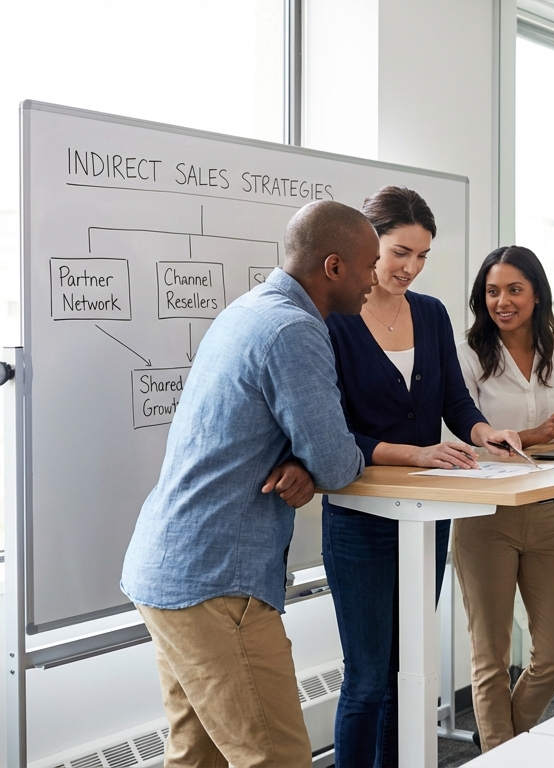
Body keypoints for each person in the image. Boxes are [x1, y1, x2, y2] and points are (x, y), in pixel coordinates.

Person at [121, 200, 379, 768]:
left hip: (169, 569)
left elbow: (263, 431)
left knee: (196, 758)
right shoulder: (293, 329)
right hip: (216, 584)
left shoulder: (247, 311)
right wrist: (314, 462)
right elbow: (336, 462)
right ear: (334, 267)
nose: (374, 280)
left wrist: (300, 459)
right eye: (370, 265)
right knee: (276, 758)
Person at [321, 186, 523, 766]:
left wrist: (484, 432)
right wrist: (413, 454)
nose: (410, 267)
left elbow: (455, 401)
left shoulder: (432, 314)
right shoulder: (333, 320)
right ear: (367, 245)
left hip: (426, 516)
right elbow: (331, 435)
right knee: (365, 678)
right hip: (360, 516)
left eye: (423, 256)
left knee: (408, 671)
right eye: (399, 252)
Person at [453, 245, 554, 751]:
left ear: (537, 294)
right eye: (492, 291)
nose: (503, 301)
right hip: (485, 516)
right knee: (490, 655)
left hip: (548, 510)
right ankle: (503, 754)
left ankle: (504, 741)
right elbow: (459, 433)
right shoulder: (469, 352)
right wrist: (534, 434)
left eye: (514, 289)